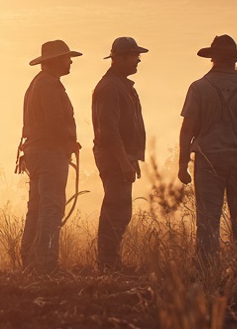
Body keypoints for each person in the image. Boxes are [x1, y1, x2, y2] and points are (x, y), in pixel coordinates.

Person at [178, 35, 237, 268]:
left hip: (208, 160)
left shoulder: (199, 87)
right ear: (234, 59)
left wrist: (182, 164)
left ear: (213, 58)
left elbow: (187, 130)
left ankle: (207, 270)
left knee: (207, 219)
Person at [19, 39, 82, 273]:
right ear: (56, 61)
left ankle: (30, 259)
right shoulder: (49, 86)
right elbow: (55, 121)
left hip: (37, 152)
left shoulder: (38, 83)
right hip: (49, 153)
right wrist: (69, 142)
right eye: (67, 58)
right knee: (51, 207)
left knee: (36, 207)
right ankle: (45, 262)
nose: (70, 61)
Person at [92, 36, 148, 272]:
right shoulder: (111, 88)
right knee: (117, 208)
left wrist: (131, 158)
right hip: (115, 157)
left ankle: (110, 261)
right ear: (121, 58)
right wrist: (124, 160)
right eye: (135, 56)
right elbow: (109, 130)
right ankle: (108, 262)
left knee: (119, 208)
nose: (138, 61)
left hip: (121, 157)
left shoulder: (119, 85)